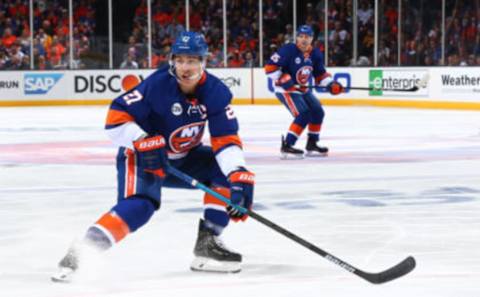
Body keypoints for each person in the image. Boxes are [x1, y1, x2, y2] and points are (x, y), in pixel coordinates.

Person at [52, 31, 255, 282]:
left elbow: (226, 139)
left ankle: (208, 243)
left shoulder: (216, 93)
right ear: (172, 60)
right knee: (141, 206)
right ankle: (82, 251)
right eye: (180, 60)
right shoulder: (156, 86)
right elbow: (115, 119)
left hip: (182, 157)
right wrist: (143, 140)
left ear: (203, 61)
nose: (185, 67)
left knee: (225, 172)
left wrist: (237, 174)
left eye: (192, 60)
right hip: (141, 156)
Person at [264, 25, 344, 159]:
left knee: (318, 111)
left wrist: (330, 84)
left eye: (307, 37)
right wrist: (281, 78)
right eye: (301, 36)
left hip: (302, 88)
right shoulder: (288, 50)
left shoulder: (316, 54)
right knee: (303, 114)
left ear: (312, 39)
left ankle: (312, 144)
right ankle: (287, 145)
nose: (303, 40)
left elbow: (320, 75)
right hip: (285, 89)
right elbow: (269, 68)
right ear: (296, 38)